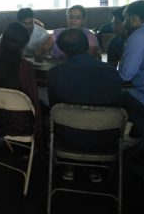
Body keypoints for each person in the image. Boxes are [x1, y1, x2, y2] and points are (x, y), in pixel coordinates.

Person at [47, 28, 122, 182]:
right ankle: (94, 166)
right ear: (87, 45)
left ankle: (68, 166)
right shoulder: (111, 72)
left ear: (62, 49)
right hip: (105, 140)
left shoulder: (56, 73)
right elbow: (115, 103)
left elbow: (54, 107)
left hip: (66, 140)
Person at [0, 22, 43, 146]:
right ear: (22, 46)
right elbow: (34, 103)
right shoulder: (25, 67)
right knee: (45, 108)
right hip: (22, 125)